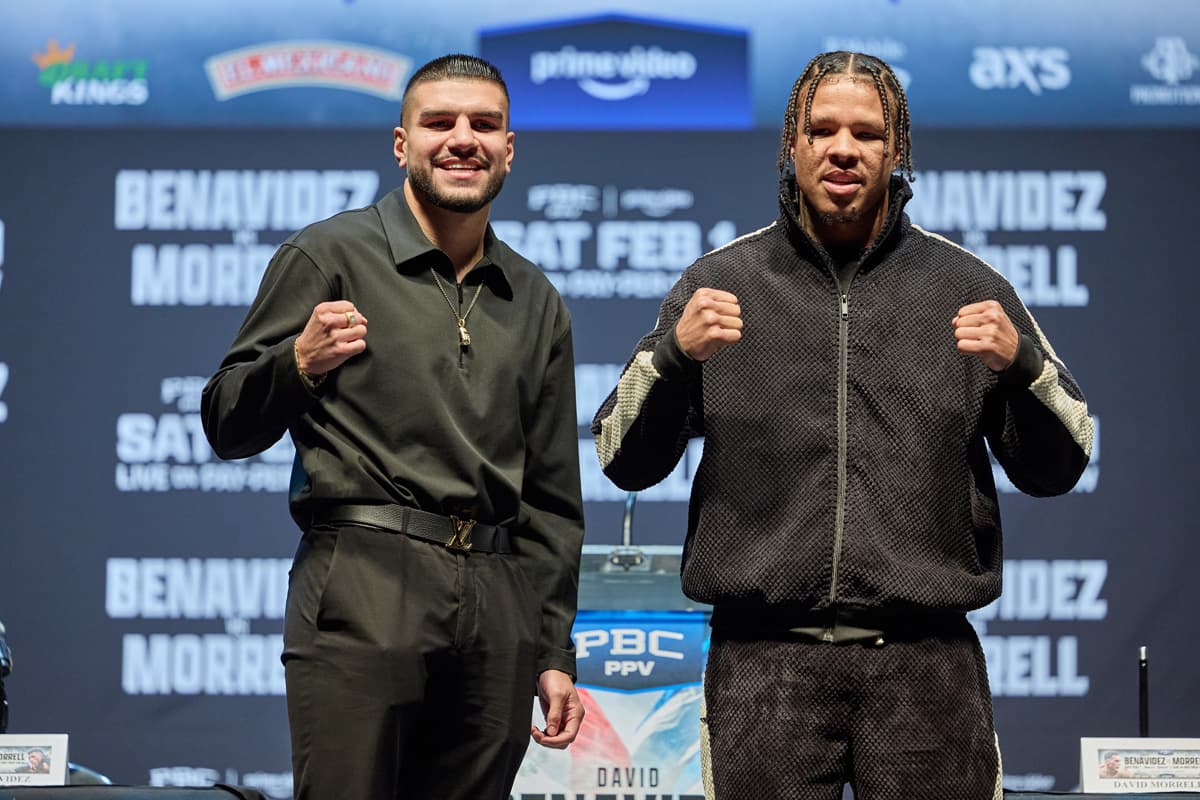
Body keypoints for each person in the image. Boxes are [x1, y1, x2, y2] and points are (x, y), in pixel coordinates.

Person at [592, 50, 1092, 800]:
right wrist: (671, 356)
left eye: (866, 133)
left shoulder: (969, 288)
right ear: (792, 146)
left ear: (897, 153)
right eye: (822, 130)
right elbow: (620, 456)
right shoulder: (718, 283)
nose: (843, 149)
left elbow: (1060, 464)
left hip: (927, 669)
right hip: (765, 670)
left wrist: (1021, 364)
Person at [202, 54, 585, 800]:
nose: (463, 138)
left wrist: (553, 648)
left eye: (485, 124)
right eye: (439, 122)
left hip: (499, 597)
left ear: (511, 147)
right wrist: (299, 364)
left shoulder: (536, 298)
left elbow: (550, 496)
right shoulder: (329, 255)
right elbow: (226, 420)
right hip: (366, 575)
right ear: (401, 144)